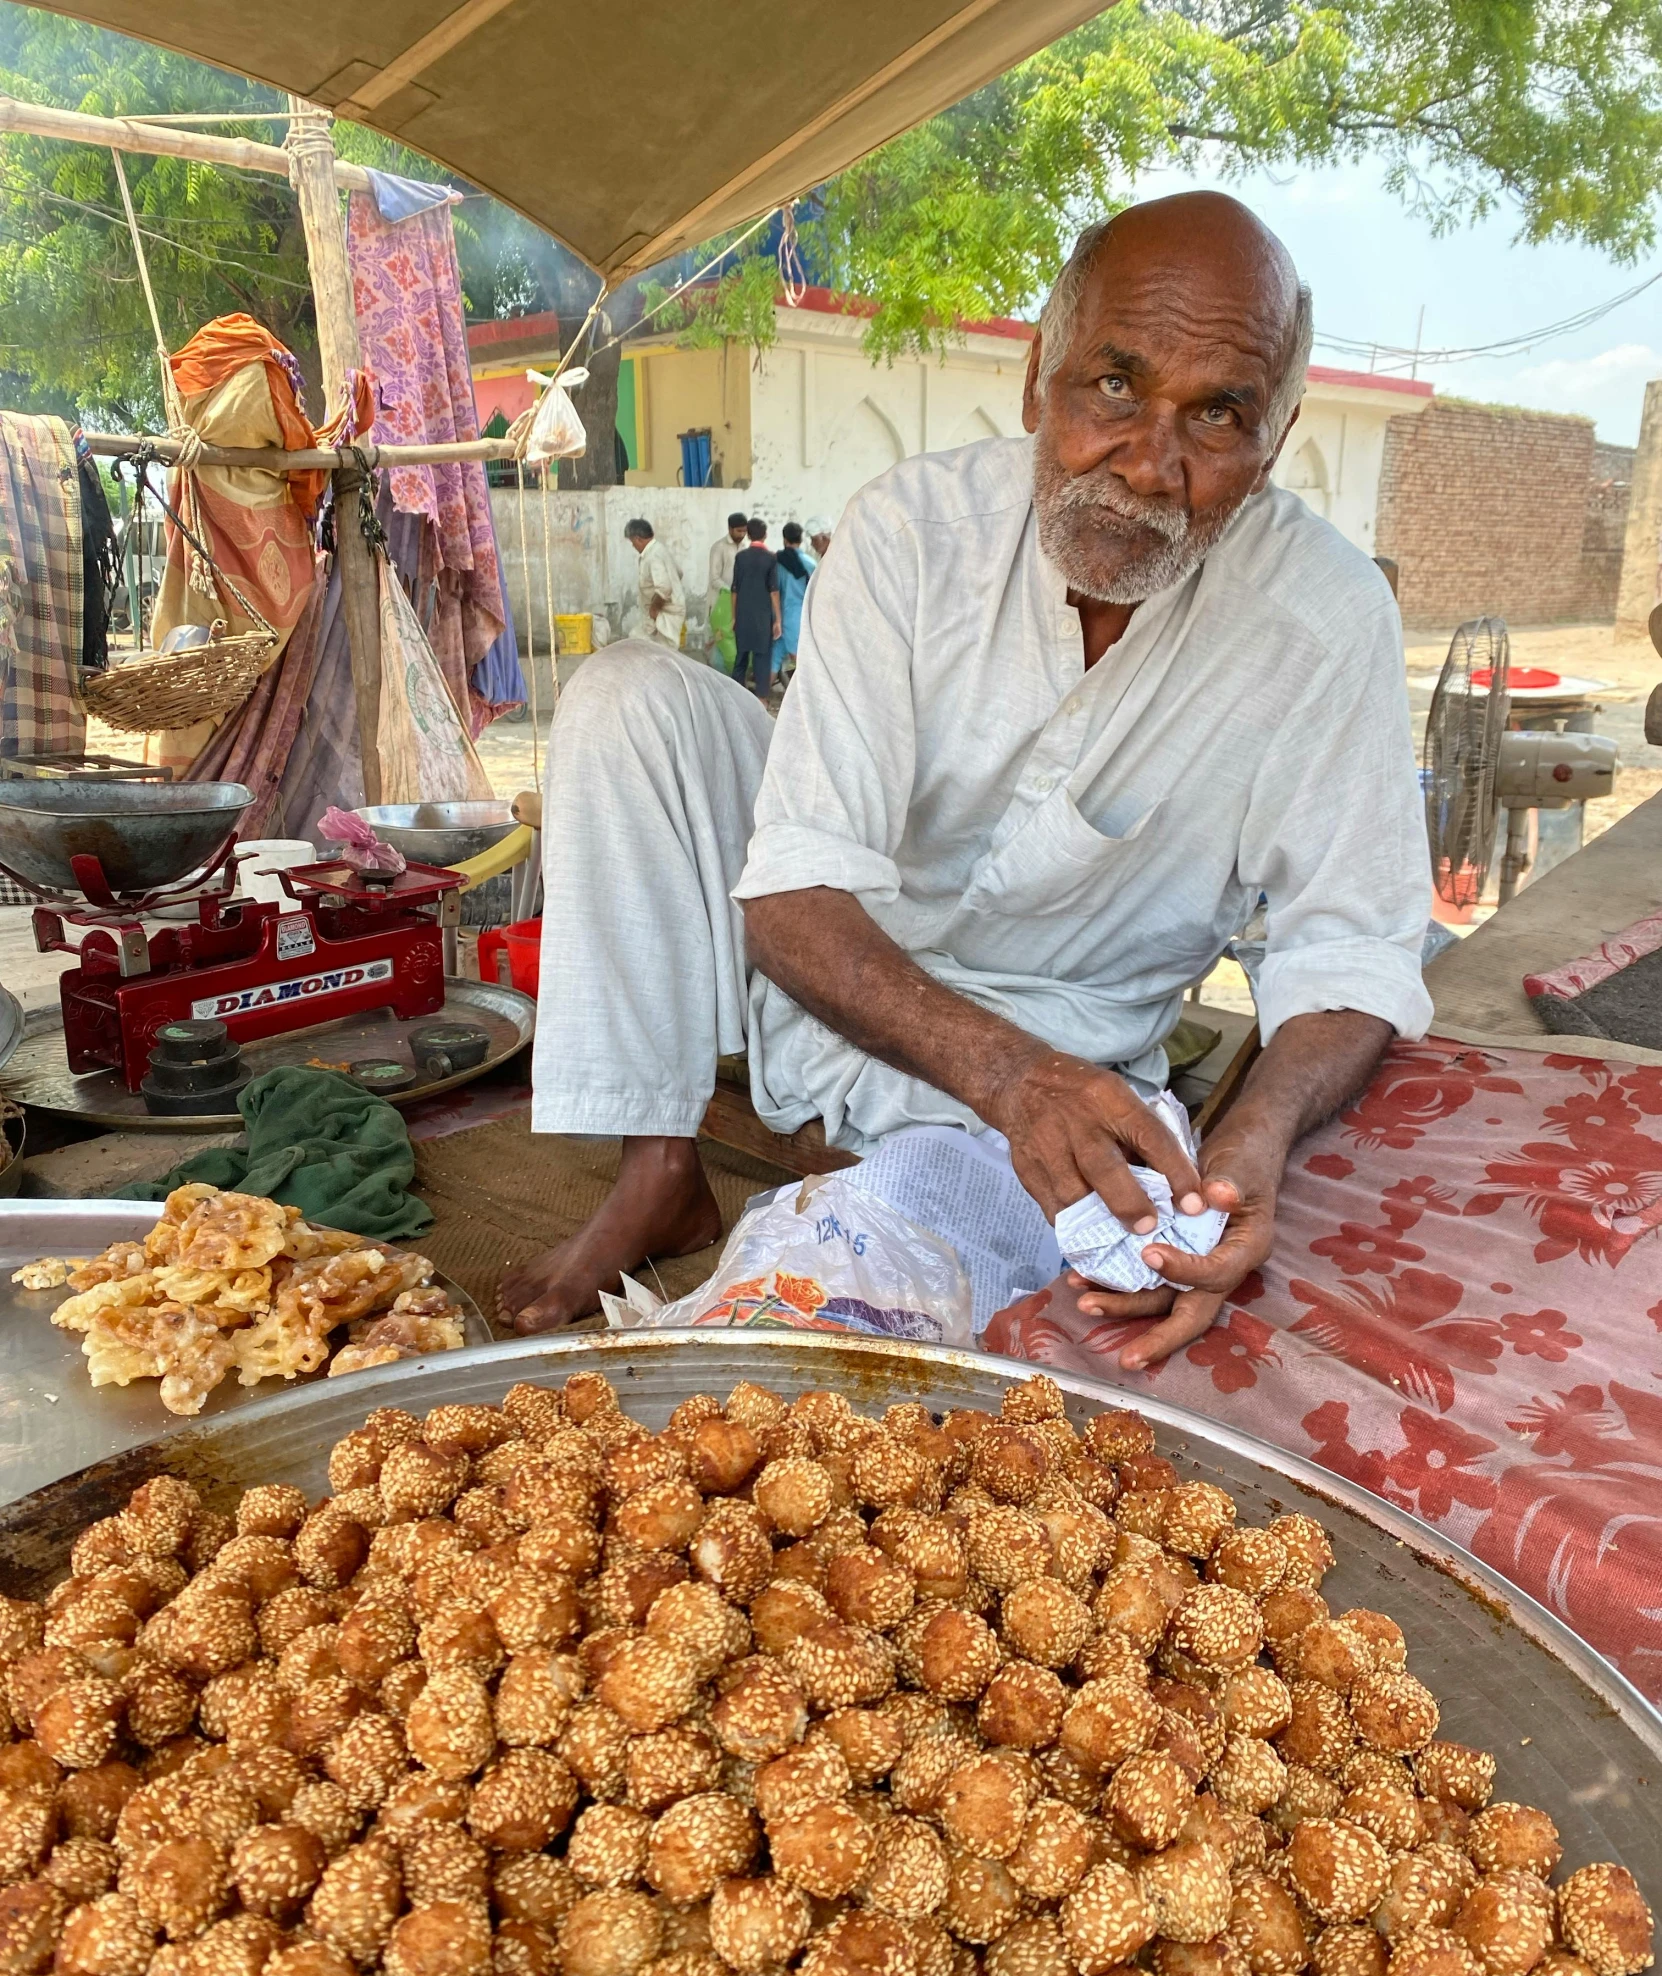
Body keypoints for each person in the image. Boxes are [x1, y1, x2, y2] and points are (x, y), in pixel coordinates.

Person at [501, 192, 1433, 1349]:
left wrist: (1254, 1135)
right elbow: (792, 890)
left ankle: (923, 1172)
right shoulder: (914, 526)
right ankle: (656, 1164)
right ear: (1039, 371)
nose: (1150, 463)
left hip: (1074, 1042)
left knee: (986, 1251)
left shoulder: (1325, 615)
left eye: (1219, 415)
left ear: (1275, 442)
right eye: (1114, 386)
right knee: (627, 695)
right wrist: (1004, 1074)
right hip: (835, 961)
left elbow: (1353, 942)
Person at [730, 517, 780, 702]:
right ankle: (762, 700)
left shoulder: (740, 558)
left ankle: (736, 696)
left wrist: (734, 617)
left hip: (743, 614)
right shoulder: (770, 559)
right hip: (762, 616)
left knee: (741, 655)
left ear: (748, 535)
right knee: (762, 657)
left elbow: (734, 590)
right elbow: (774, 592)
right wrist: (778, 620)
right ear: (765, 535)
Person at [622, 519, 683, 647]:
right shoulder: (659, 549)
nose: (633, 546)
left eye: (633, 542)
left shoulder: (654, 556)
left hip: (664, 614)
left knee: (660, 654)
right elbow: (678, 573)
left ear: (638, 539)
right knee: (638, 639)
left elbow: (664, 588)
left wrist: (654, 609)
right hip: (662, 613)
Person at [772, 522, 813, 679]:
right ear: (801, 539)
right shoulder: (810, 564)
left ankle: (761, 696)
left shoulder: (776, 561)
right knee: (799, 659)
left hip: (778, 616)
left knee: (774, 658)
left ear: (784, 539)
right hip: (797, 617)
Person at [707, 512, 747, 671]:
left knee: (732, 640)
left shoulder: (745, 547)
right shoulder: (719, 547)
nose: (742, 535)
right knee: (718, 640)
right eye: (739, 531)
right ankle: (715, 679)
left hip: (738, 603)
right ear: (730, 529)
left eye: (744, 531)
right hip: (720, 603)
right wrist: (732, 591)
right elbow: (714, 578)